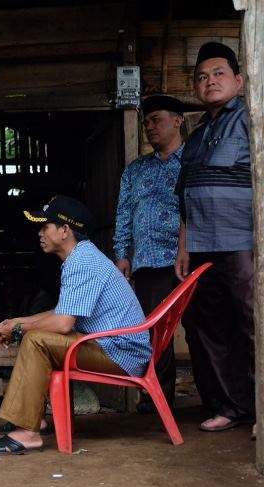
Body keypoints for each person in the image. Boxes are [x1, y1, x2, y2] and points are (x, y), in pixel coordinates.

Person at [0, 196, 151, 455]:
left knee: (36, 340)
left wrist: (16, 330)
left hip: (121, 354)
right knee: (34, 334)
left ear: (64, 230)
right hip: (114, 348)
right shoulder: (81, 257)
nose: (40, 233)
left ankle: (29, 433)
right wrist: (16, 322)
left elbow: (62, 324)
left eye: (45, 227)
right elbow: (62, 313)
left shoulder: (81, 262)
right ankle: (31, 419)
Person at [175, 41, 255, 433]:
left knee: (253, 323)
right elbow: (185, 196)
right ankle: (232, 406)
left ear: (238, 80)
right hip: (202, 247)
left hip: (243, 242)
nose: (210, 82)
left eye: (219, 73)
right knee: (208, 328)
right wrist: (183, 246)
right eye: (202, 77)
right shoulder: (196, 134)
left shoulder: (251, 120)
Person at [113, 94, 185, 411]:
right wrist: (121, 253)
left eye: (156, 119)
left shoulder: (191, 162)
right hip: (147, 264)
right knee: (155, 334)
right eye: (145, 121)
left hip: (186, 259)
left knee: (202, 329)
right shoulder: (136, 170)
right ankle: (158, 401)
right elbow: (123, 214)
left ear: (177, 120)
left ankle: (221, 402)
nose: (149, 126)